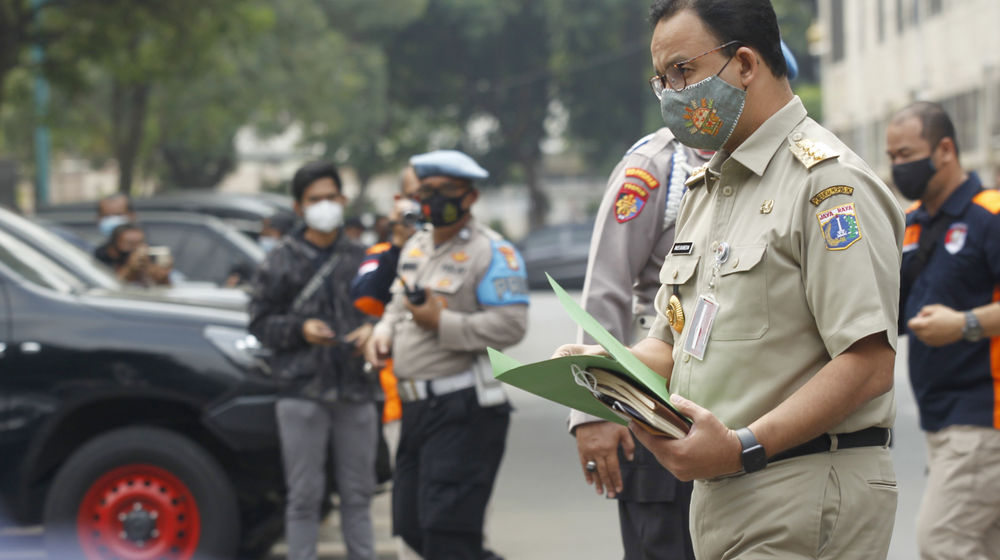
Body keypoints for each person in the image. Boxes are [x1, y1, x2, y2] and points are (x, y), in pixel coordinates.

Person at [556, 1, 904, 557]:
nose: (671, 94)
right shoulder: (708, 189)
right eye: (661, 79)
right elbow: (673, 344)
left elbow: (868, 364)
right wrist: (604, 372)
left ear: (745, 64)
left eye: (683, 72)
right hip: (722, 491)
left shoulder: (826, 184)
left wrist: (743, 448)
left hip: (802, 484)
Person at [365, 150, 528, 559]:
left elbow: (512, 325)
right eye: (425, 192)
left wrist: (443, 324)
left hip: (463, 407)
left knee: (449, 536)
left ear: (469, 197)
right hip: (414, 407)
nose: (432, 201)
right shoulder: (416, 247)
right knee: (412, 527)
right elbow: (398, 304)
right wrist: (382, 331)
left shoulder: (491, 253)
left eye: (443, 192)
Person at [569, 127, 709, 560]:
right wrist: (595, 410)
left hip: (742, 396)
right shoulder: (657, 166)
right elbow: (606, 287)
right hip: (661, 390)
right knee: (664, 542)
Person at [248, 161, 379, 560]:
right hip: (300, 391)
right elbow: (259, 322)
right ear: (299, 206)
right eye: (314, 199)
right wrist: (300, 330)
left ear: (343, 200)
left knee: (358, 496)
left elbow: (389, 310)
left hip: (356, 389)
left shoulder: (365, 257)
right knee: (304, 497)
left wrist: (373, 329)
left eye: (331, 198)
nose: (325, 206)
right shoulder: (279, 260)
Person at [888, 101, 1000, 559]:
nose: (899, 166)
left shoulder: (989, 215)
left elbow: (961, 321)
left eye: (907, 154)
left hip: (982, 416)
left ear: (945, 149)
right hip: (941, 419)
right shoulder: (914, 224)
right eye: (892, 156)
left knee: (943, 541)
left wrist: (965, 324)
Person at [93, 222, 173, 286]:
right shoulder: (102, 259)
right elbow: (110, 286)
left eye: (140, 243)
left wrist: (153, 270)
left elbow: (165, 286)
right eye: (130, 244)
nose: (137, 248)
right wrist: (130, 268)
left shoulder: (149, 257)